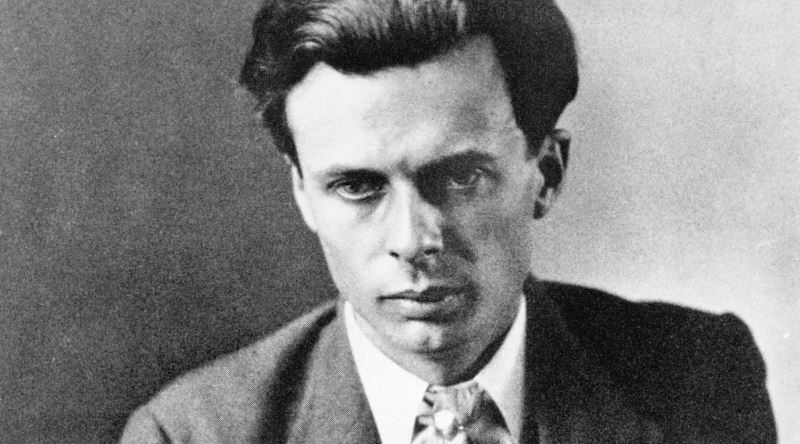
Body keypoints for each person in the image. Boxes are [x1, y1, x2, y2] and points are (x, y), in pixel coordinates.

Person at [121, 0, 776, 442]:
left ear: (545, 173)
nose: (413, 241)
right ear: (303, 194)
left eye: (461, 178)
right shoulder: (191, 434)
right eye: (357, 187)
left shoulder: (701, 382)